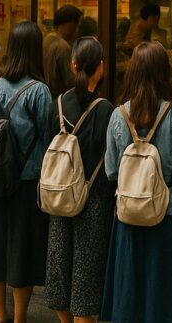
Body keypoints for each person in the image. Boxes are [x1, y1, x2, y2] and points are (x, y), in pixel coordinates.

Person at [102, 40, 172, 323]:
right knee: (166, 292)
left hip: (129, 214)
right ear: (164, 72)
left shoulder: (118, 115)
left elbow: (111, 170)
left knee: (131, 290)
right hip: (170, 212)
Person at [0, 21, 53, 323]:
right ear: (36, 50)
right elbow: (50, 140)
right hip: (27, 181)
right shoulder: (40, 91)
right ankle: (19, 317)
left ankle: (1, 316)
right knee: (23, 251)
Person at [45, 36, 116, 323]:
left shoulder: (57, 104)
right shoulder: (105, 110)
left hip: (59, 195)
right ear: (100, 67)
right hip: (94, 199)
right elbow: (111, 162)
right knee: (86, 270)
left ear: (74, 64)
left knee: (60, 266)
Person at [43, 4, 83, 99]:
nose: (76, 30)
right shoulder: (63, 47)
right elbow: (70, 81)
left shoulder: (47, 40)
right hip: (60, 99)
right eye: (76, 25)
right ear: (68, 24)